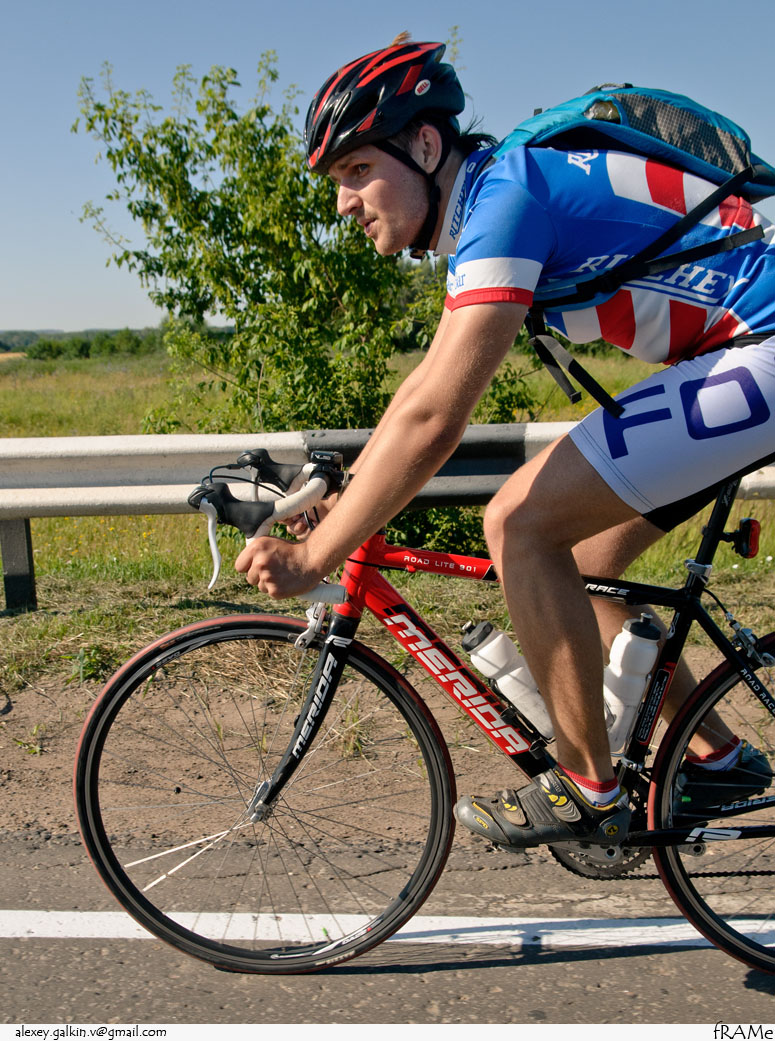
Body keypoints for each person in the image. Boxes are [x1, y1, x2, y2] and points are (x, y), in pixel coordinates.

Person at [235, 34, 774, 850]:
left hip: (759, 344)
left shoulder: (506, 200)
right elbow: (422, 387)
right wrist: (347, 498)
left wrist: (317, 555)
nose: (343, 202)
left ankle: (588, 787)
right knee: (583, 562)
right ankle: (716, 758)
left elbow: (436, 419)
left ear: (424, 146)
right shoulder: (497, 195)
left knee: (518, 523)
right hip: (740, 351)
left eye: (356, 170)